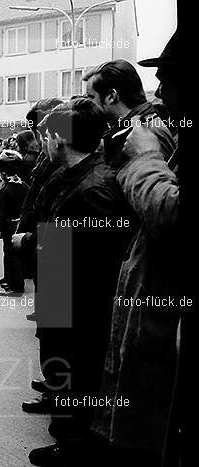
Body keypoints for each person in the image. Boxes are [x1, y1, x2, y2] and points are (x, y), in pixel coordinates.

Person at [23, 99, 136, 467]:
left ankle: (72, 447)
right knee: (60, 369)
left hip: (79, 301)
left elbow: (95, 256)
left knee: (75, 374)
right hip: (60, 290)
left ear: (60, 138)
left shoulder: (94, 187)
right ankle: (68, 437)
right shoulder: (73, 175)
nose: (42, 144)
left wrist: (29, 242)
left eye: (46, 137)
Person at [85, 52, 180, 464]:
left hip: (140, 274)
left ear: (110, 97)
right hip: (124, 263)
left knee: (133, 392)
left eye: (90, 98)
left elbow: (161, 212)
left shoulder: (146, 131)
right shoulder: (130, 130)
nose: (160, 87)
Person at [0, 150, 29, 297]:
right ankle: (9, 279)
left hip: (9, 225)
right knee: (11, 254)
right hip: (19, 223)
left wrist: (0, 229)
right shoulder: (24, 186)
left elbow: (1, 214)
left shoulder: (5, 190)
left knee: (11, 254)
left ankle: (15, 285)